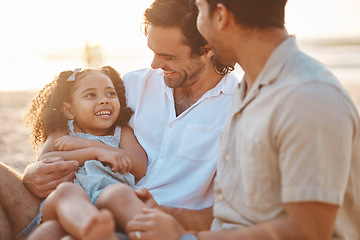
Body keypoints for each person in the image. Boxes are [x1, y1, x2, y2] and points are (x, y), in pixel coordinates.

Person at [0, 0, 239, 239]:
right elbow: (71, 130)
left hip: (144, 223)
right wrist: (33, 173)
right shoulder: (132, 85)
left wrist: (166, 215)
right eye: (152, 51)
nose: (154, 65)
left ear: (208, 49)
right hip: (79, 204)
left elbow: (235, 210)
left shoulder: (239, 109)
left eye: (167, 56)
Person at [126, 0, 360, 239]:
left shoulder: (307, 96)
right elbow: (237, 215)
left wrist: (183, 237)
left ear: (220, 16)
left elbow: (309, 231)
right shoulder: (250, 89)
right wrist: (166, 216)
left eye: (200, 10)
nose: (198, 25)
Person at [24, 66, 147, 240]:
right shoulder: (64, 131)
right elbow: (45, 160)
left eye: (110, 94)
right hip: (67, 206)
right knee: (66, 191)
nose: (104, 100)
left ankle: (148, 232)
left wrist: (90, 144)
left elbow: (140, 166)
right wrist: (93, 152)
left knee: (120, 193)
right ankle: (90, 228)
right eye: (91, 95)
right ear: (69, 110)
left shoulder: (122, 132)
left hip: (109, 197)